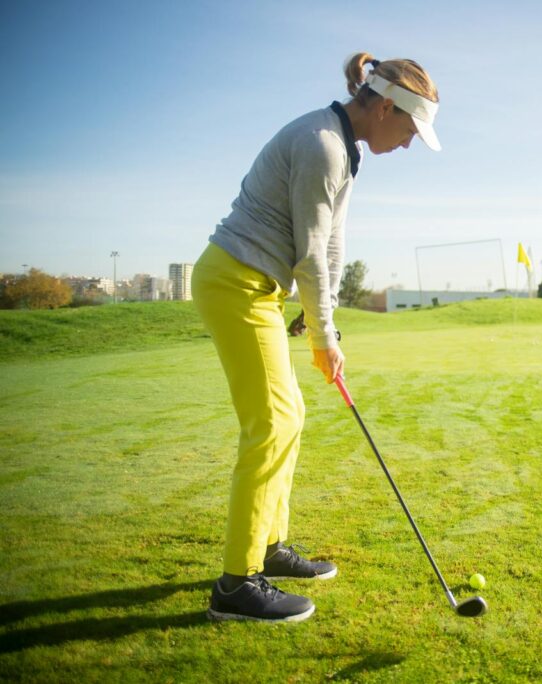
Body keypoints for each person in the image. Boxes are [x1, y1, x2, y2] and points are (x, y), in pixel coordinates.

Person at [191, 52, 441, 623]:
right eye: (408, 129)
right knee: (272, 425)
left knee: (290, 415)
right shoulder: (322, 144)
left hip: (259, 286)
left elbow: (330, 246)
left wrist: (322, 316)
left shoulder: (345, 149)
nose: (407, 144)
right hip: (236, 283)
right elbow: (308, 253)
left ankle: (268, 547)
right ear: (383, 107)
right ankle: (237, 583)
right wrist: (323, 336)